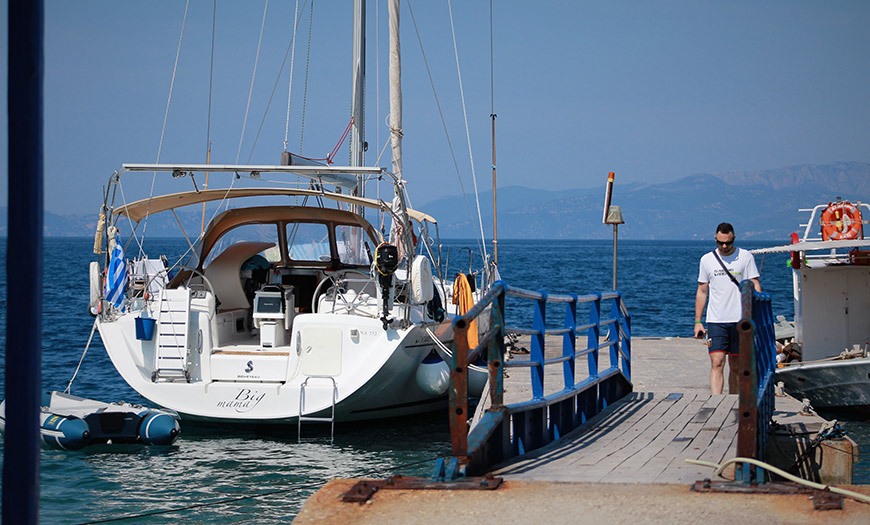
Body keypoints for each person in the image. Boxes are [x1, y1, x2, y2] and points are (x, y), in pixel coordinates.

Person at [694, 222, 761, 394]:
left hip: (740, 320)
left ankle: (732, 402)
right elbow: (702, 291)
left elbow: (754, 284)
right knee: (717, 362)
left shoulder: (745, 257)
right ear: (715, 239)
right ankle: (716, 402)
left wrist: (757, 313)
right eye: (720, 242)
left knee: (737, 366)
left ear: (734, 239)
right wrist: (698, 321)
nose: (724, 246)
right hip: (716, 320)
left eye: (728, 243)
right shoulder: (706, 260)